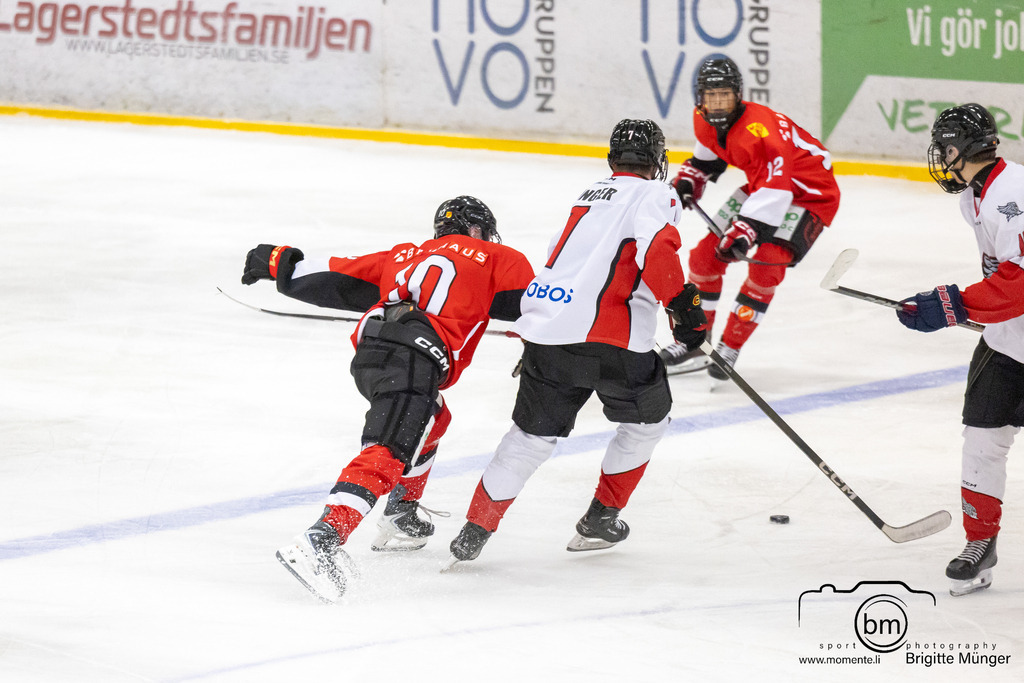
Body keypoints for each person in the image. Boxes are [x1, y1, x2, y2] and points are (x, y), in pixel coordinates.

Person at [240, 196, 535, 602]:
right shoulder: (500, 256)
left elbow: (336, 277)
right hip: (414, 357)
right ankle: (322, 538)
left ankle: (401, 512)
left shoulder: (404, 255)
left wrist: (276, 262)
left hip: (372, 353)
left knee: (433, 417)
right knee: (388, 449)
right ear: (478, 230)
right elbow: (538, 306)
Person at [445, 119, 707, 566]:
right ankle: (601, 518)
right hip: (614, 340)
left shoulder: (589, 194)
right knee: (648, 423)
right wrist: (685, 309)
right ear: (657, 161)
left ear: (612, 159)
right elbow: (658, 250)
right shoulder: (655, 194)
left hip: (548, 336)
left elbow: (559, 259)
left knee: (528, 438)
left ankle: (475, 530)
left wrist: (540, 333)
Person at [896, 103, 1024, 597]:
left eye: (944, 149)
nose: (942, 160)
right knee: (982, 442)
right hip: (1007, 342)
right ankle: (980, 543)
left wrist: (952, 306)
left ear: (957, 148)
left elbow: (1018, 282)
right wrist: (947, 306)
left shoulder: (1011, 195)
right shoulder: (975, 198)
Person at [659, 55, 841, 380]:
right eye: (711, 96)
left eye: (725, 95)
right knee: (703, 260)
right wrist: (692, 178)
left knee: (767, 268)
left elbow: (779, 190)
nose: (717, 103)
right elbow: (710, 157)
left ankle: (730, 347)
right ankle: (696, 344)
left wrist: (746, 230)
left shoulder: (764, 132)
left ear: (738, 94)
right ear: (699, 98)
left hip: (810, 197)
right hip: (764, 187)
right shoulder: (702, 119)